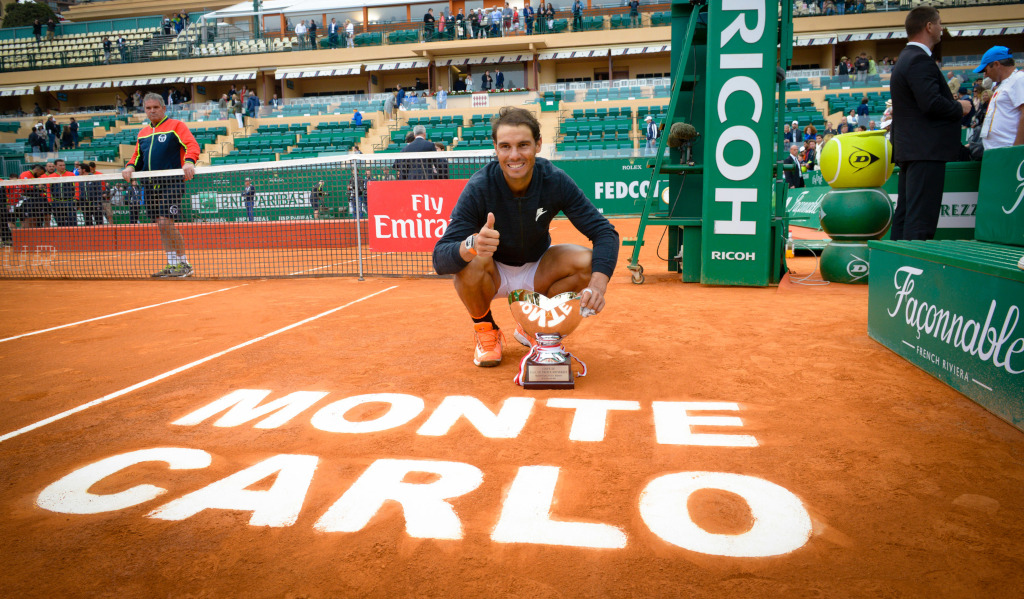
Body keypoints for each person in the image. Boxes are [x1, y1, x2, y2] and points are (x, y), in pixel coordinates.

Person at [431, 107, 618, 367]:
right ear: (495, 148)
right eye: (505, 146)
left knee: (587, 262)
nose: (514, 155)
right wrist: (472, 245)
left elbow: (604, 231)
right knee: (470, 257)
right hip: (492, 272)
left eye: (523, 145)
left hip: (538, 269)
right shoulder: (479, 186)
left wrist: (597, 285)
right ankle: (486, 331)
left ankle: (531, 325)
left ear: (538, 145)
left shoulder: (555, 180)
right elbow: (440, 259)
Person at [889, 5, 973, 242]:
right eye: (939, 23)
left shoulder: (906, 58)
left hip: (914, 148)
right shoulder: (919, 59)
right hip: (925, 150)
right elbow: (931, 103)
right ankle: (913, 263)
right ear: (928, 26)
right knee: (920, 220)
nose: (941, 28)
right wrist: (960, 107)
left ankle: (897, 261)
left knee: (907, 215)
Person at [122, 93, 200, 277]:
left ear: (164, 108)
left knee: (166, 222)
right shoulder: (142, 133)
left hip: (171, 182)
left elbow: (192, 145)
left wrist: (189, 162)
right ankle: (172, 264)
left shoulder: (176, 126)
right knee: (161, 225)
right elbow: (137, 157)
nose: (152, 111)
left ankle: (184, 263)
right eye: (148, 108)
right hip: (150, 185)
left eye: (156, 107)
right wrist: (130, 166)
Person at [973, 46, 1023, 150]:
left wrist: (1016, 150)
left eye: (986, 70)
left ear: (996, 64)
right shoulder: (1003, 84)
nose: (985, 75)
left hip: (1008, 149)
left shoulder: (1019, 78)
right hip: (996, 150)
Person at [44, 159, 77, 227]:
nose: (63, 167)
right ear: (56, 166)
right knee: (60, 223)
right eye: (60, 165)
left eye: (64, 165)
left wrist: (75, 199)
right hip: (56, 203)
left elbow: (76, 188)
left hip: (69, 202)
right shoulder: (51, 177)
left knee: (72, 223)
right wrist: (50, 201)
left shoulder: (71, 175)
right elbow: (48, 190)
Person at [16, 164, 46, 229]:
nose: (40, 175)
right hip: (26, 200)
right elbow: (24, 186)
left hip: (35, 200)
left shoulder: (36, 177)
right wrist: (36, 187)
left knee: (36, 218)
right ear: (37, 170)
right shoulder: (25, 174)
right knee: (27, 219)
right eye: (40, 173)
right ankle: (25, 233)